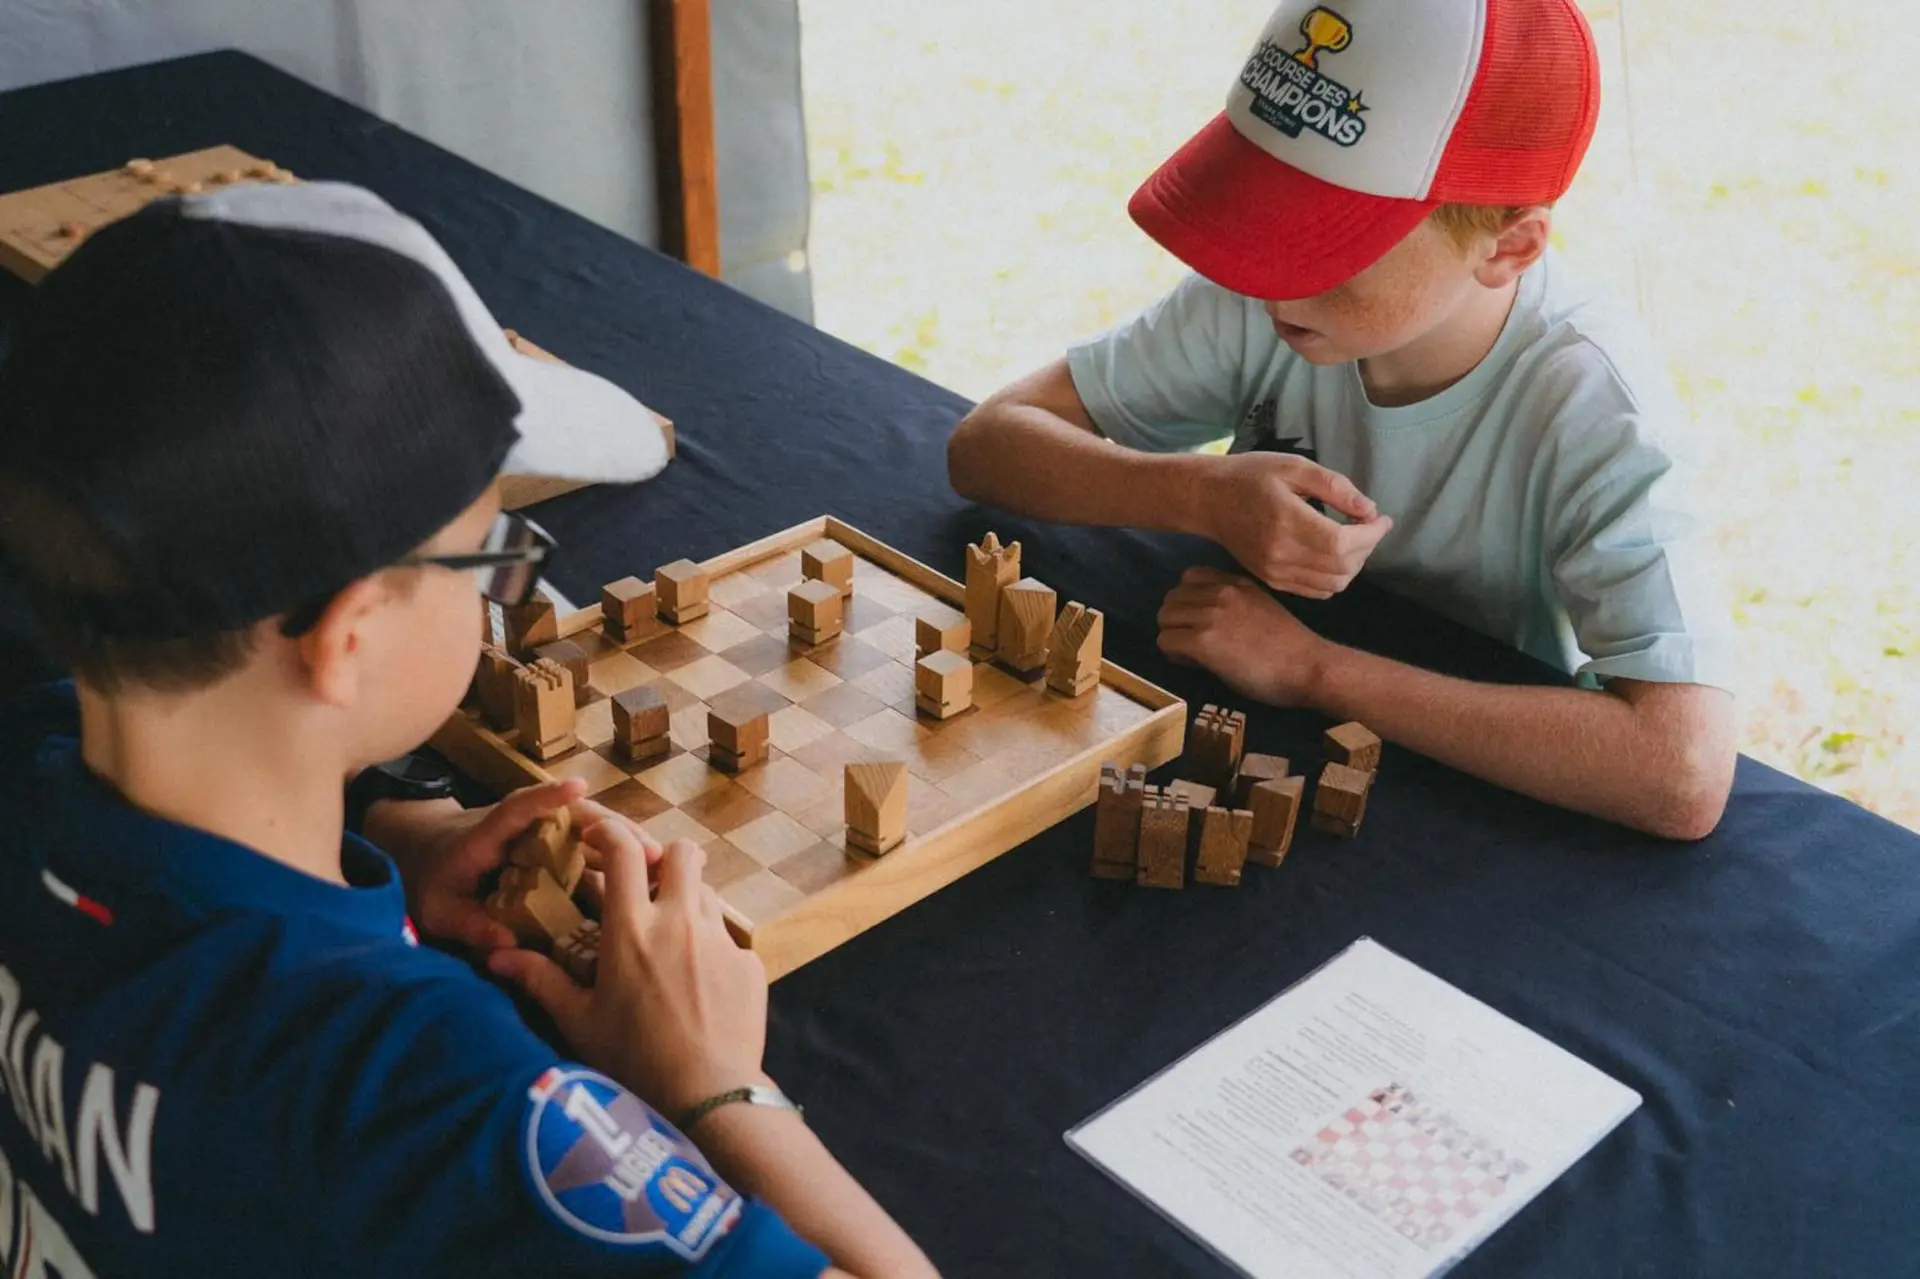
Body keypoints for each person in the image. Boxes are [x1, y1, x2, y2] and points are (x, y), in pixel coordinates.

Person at [0, 181, 935, 1277]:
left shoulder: (39, 769)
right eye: (492, 550)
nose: (502, 585)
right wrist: (715, 1088)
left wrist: (388, 826)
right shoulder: (432, 1090)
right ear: (346, 634)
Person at [948, 0, 1738, 840]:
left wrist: (1314, 669)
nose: (1275, 281)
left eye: (1330, 247)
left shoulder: (1596, 402)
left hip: (1468, 800)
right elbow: (986, 443)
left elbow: (1680, 769)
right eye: (1267, 217)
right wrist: (1201, 494)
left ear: (1506, 246)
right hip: (1251, 718)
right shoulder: (1263, 293)